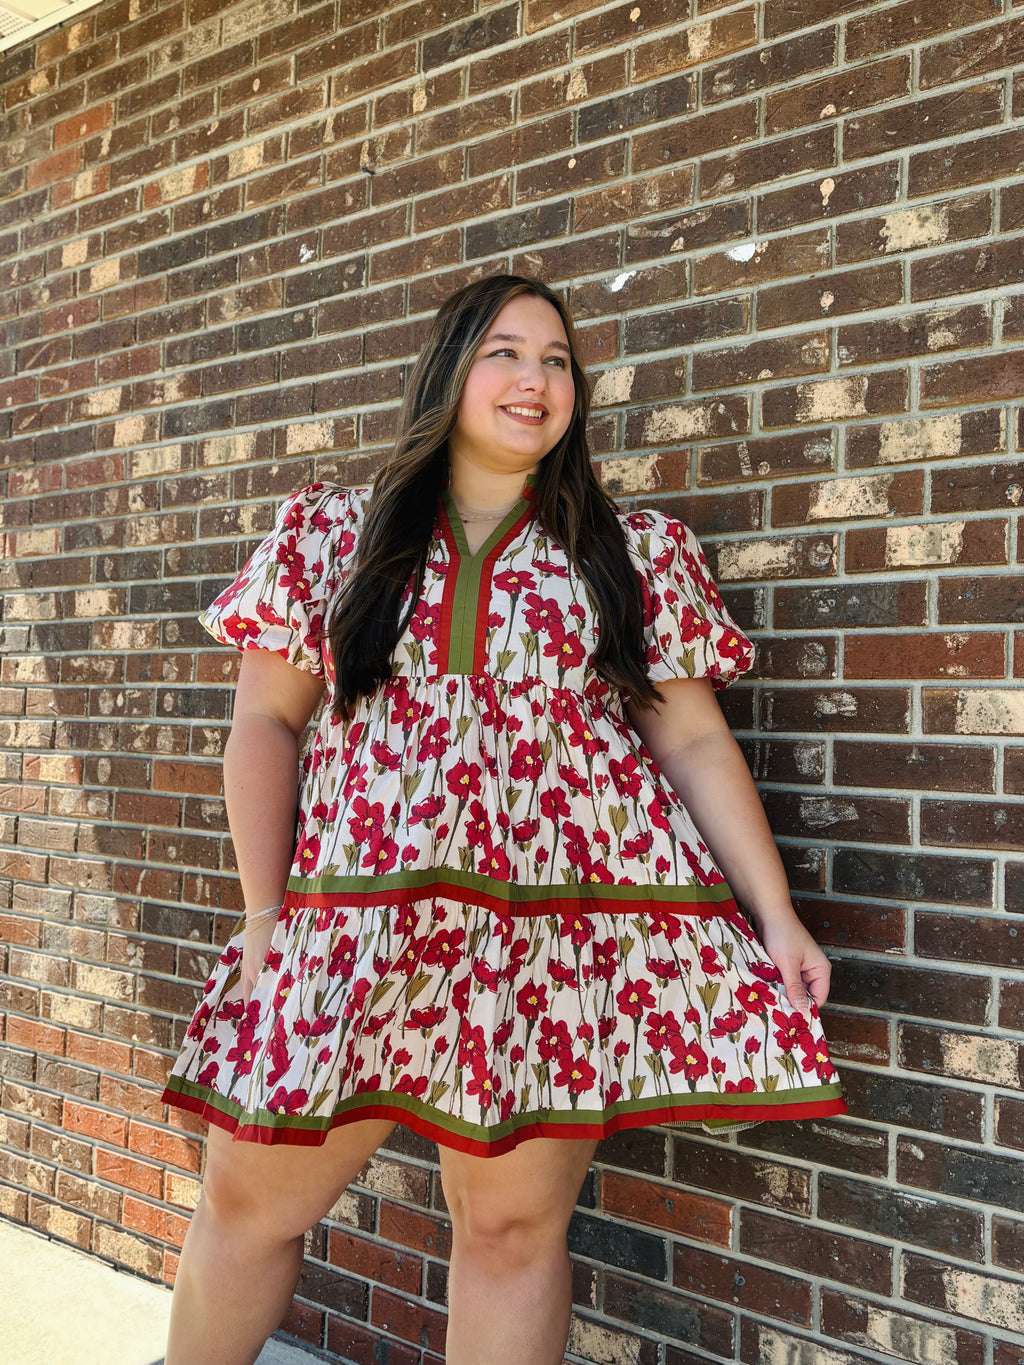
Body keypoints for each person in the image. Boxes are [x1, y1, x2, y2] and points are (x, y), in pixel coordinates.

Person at [161, 273, 845, 1365]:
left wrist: (776, 914)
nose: (537, 379)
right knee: (250, 1197)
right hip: (355, 925)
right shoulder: (333, 536)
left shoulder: (629, 553)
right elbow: (263, 726)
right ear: (449, 371)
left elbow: (695, 742)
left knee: (512, 1230)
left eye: (558, 360)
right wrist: (262, 915)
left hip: (549, 938)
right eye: (506, 353)